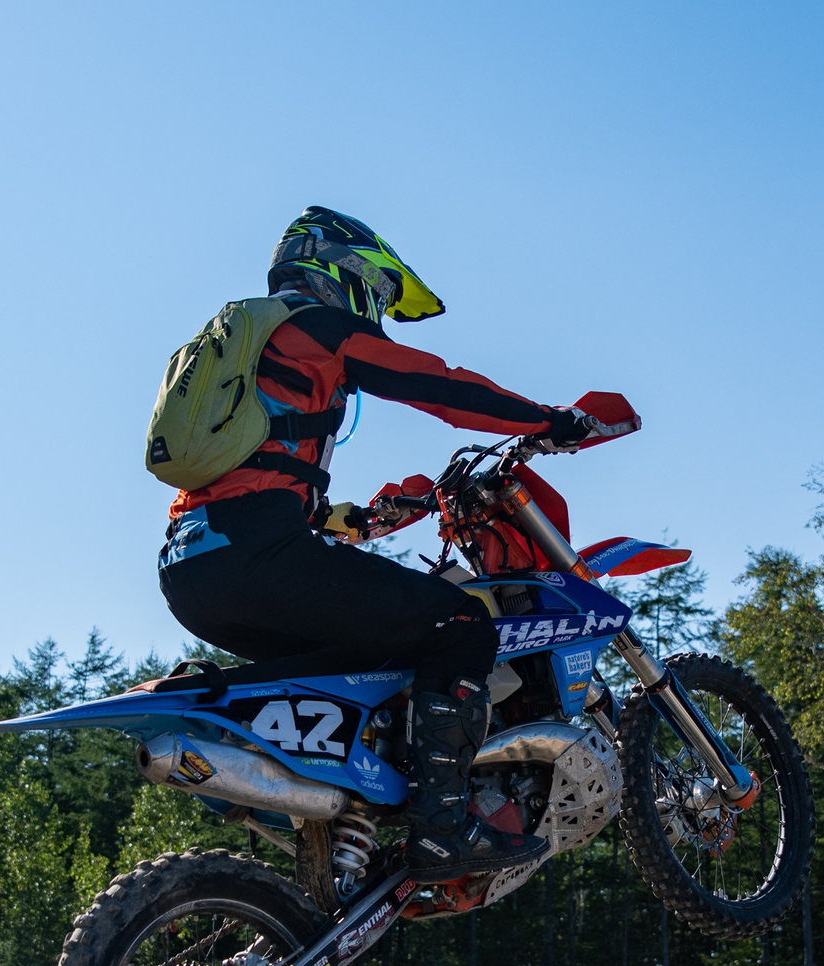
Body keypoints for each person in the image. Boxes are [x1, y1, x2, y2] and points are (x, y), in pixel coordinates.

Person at [151, 206, 614, 882]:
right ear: (350, 272)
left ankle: (344, 823)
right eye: (383, 295)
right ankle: (442, 830)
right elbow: (437, 384)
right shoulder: (315, 326)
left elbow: (258, 478)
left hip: (192, 568)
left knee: (359, 655)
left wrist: (360, 520)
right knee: (459, 624)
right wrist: (551, 420)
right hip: (258, 558)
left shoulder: (244, 345)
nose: (381, 312)